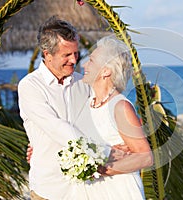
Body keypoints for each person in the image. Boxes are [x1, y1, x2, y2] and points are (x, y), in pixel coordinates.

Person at [18, 16, 127, 200]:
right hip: (49, 190)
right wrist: (106, 151)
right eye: (66, 55)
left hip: (86, 188)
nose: (73, 60)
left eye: (76, 53)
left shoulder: (83, 83)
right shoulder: (30, 86)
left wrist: (127, 134)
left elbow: (101, 115)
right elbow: (56, 128)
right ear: (47, 54)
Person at [80, 35, 153, 199]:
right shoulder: (88, 103)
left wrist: (100, 169)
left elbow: (145, 157)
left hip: (120, 191)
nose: (84, 65)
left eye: (91, 61)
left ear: (106, 71)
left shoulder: (120, 106)